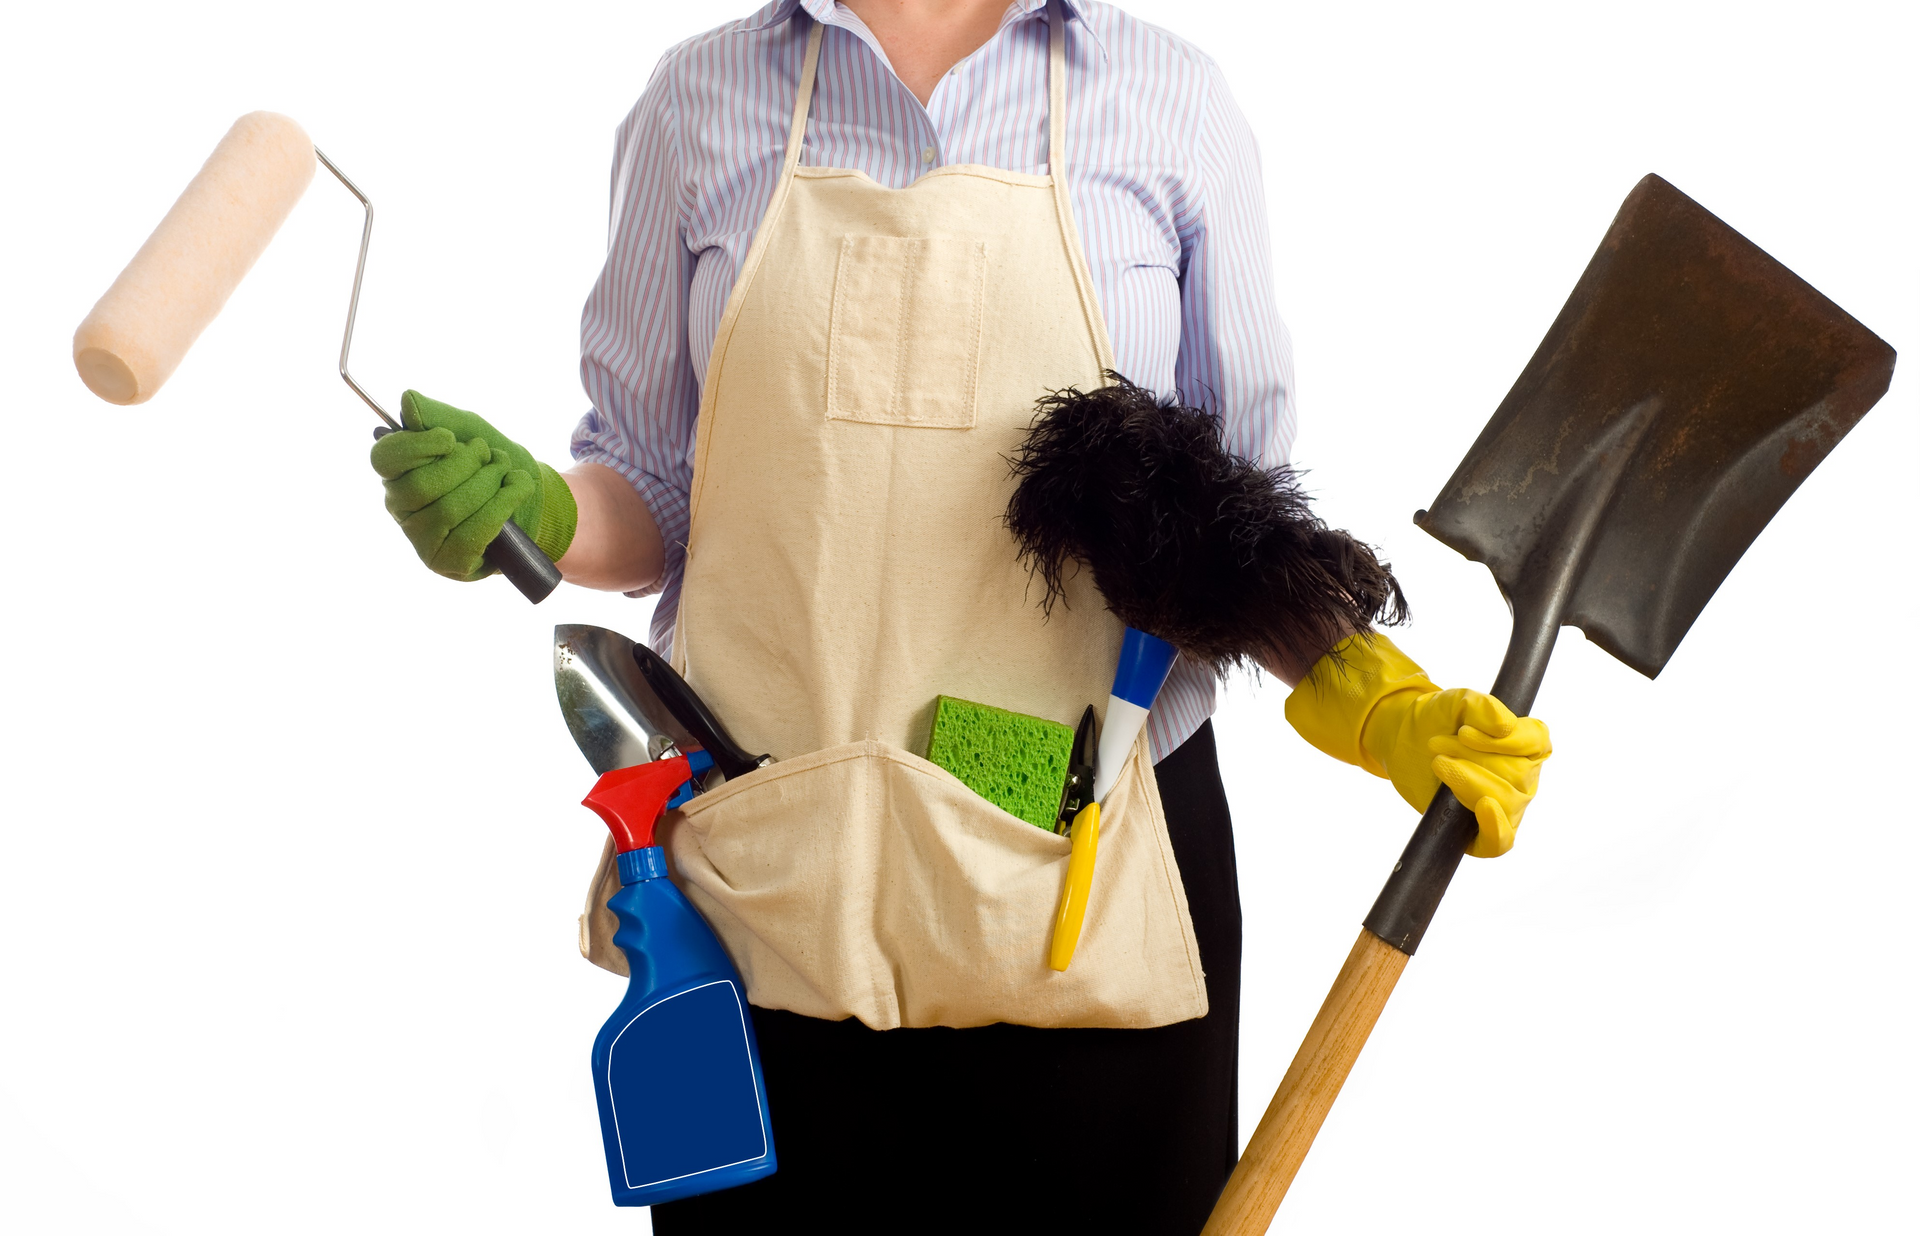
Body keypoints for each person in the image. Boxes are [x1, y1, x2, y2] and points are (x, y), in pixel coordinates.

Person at [369, 1, 1551, 1230]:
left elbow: (1229, 529)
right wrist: (547, 517)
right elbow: (659, 488)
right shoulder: (695, 100)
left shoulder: (1170, 101)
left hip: (1077, 850)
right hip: (773, 849)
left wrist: (1374, 699)